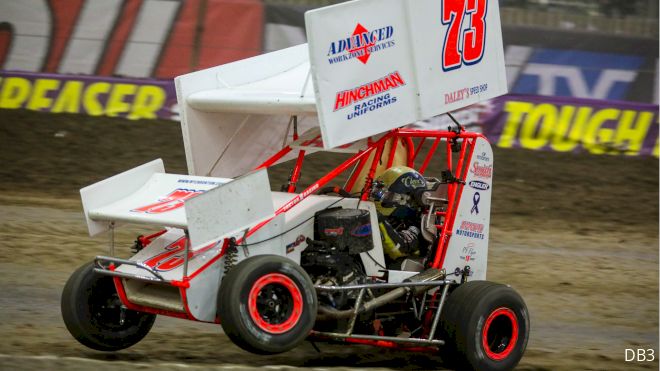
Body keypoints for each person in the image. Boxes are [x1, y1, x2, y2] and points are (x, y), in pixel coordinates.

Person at [370, 166, 428, 263]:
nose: (380, 198)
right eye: (379, 193)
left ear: (408, 200)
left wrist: (376, 217)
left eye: (388, 196)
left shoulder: (419, 226)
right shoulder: (389, 218)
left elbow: (399, 249)